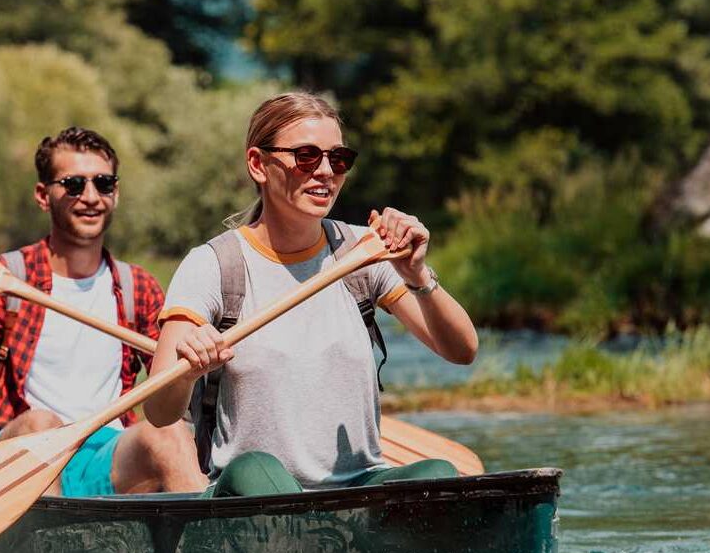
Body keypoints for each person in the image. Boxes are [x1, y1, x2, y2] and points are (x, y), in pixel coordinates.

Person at [144, 92, 479, 496]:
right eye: (306, 156)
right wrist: (190, 370)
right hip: (249, 490)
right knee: (257, 471)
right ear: (258, 164)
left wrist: (416, 273)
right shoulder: (214, 264)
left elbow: (462, 350)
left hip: (356, 486)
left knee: (438, 473)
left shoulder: (363, 252)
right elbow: (159, 411)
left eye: (338, 159)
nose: (325, 172)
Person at [0, 127, 206, 497]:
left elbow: (172, 391)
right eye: (73, 184)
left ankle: (208, 546)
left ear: (115, 193)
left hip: (103, 452)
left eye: (103, 184)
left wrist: (198, 361)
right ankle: (58, 549)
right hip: (13, 453)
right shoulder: (6, 281)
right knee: (41, 426)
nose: (90, 196)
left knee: (169, 434)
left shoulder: (137, 286)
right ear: (44, 196)